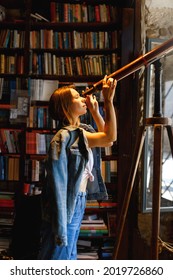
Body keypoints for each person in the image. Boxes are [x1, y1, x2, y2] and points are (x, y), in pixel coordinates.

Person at [38, 75, 117, 260]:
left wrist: (96, 111)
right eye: (76, 97)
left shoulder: (82, 130)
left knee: (68, 254)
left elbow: (107, 138)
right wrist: (109, 101)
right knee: (59, 256)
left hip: (78, 200)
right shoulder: (66, 136)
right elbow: (110, 137)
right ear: (65, 107)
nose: (83, 98)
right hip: (66, 202)